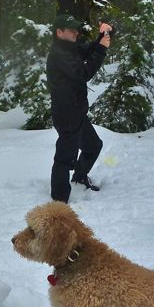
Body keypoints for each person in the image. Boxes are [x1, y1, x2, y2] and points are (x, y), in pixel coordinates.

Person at [46, 13, 111, 203]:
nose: (76, 32)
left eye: (76, 29)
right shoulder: (59, 55)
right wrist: (101, 50)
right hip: (66, 114)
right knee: (65, 158)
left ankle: (80, 177)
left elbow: (86, 49)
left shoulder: (69, 48)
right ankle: (59, 200)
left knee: (93, 146)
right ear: (59, 32)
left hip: (77, 112)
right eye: (71, 29)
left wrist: (100, 38)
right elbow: (83, 73)